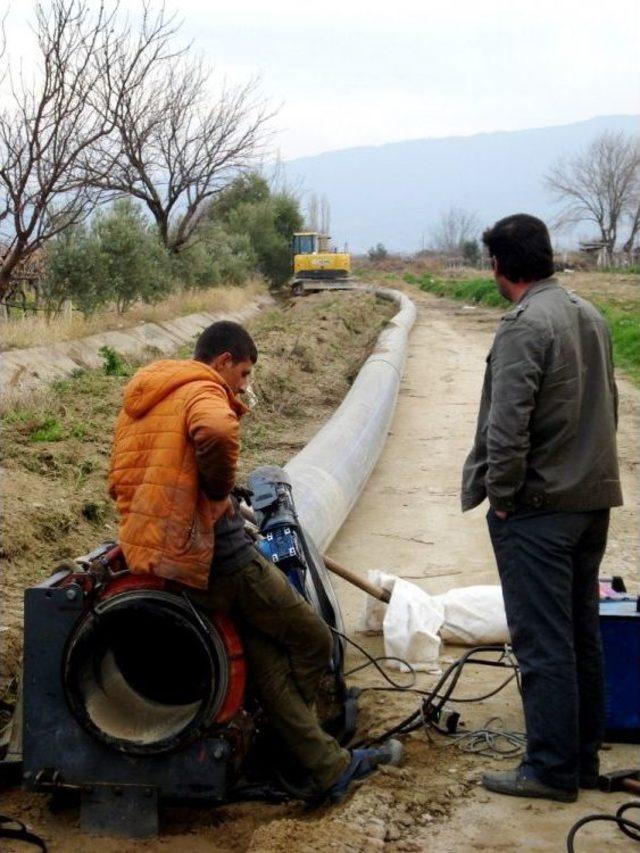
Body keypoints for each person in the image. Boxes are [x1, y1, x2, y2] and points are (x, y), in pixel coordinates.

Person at [108, 320, 401, 801]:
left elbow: (119, 476)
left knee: (265, 658)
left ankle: (327, 766)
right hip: (219, 558)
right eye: (243, 374)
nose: (244, 385)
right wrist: (218, 491)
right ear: (222, 361)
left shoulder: (149, 394)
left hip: (162, 556)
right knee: (311, 638)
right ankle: (289, 744)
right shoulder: (202, 389)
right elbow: (217, 431)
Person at [461, 214, 622, 803]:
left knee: (543, 642)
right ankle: (578, 760)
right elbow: (608, 409)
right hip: (591, 503)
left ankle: (549, 770)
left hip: (540, 510)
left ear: (499, 266)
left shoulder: (524, 326)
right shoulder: (591, 316)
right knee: (581, 634)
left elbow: (507, 430)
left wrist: (502, 500)